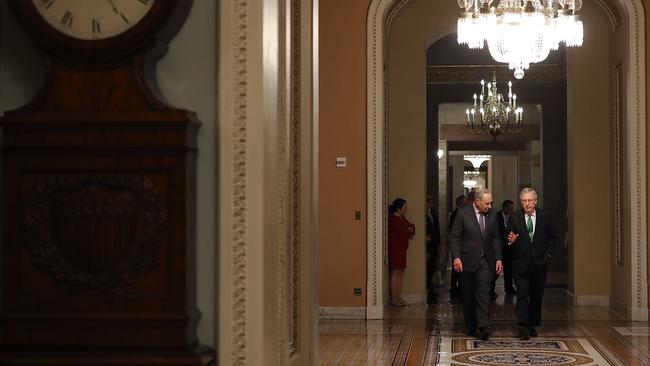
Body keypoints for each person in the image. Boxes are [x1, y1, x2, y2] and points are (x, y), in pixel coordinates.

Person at [449, 188, 503, 340]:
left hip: (486, 261)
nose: (490, 206)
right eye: (487, 203)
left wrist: (498, 258)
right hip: (466, 261)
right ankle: (471, 324)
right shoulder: (462, 213)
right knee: (468, 295)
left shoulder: (493, 214)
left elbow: (496, 238)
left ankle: (484, 325)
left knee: (484, 292)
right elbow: (454, 237)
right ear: (477, 202)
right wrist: (456, 257)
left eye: (491, 203)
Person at [506, 188, 557, 340]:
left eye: (530, 201)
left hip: (539, 263)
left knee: (536, 296)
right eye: (524, 201)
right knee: (522, 294)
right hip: (520, 264)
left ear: (535, 201)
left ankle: (532, 324)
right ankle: (522, 325)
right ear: (521, 202)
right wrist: (511, 241)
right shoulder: (514, 217)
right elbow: (508, 238)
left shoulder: (545, 216)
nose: (527, 204)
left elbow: (553, 238)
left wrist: (547, 255)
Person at [388, 198, 415, 307]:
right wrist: (408, 230)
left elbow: (411, 226)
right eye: (404, 207)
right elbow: (403, 233)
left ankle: (399, 297)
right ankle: (394, 298)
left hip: (401, 249)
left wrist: (409, 230)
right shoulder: (394, 219)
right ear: (399, 208)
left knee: (401, 273)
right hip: (396, 249)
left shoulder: (401, 218)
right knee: (396, 272)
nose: (406, 209)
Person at [492, 199, 516, 298]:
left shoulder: (513, 218)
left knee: (509, 270)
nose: (511, 210)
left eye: (512, 209)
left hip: (509, 249)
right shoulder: (496, 216)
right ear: (504, 207)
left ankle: (509, 288)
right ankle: (490, 290)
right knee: (495, 271)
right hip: (498, 248)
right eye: (510, 208)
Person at [449, 194, 468, 302]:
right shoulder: (456, 214)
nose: (466, 203)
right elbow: (454, 233)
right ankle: (455, 290)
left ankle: (459, 290)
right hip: (458, 246)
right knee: (456, 271)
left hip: (462, 247)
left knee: (459, 271)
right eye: (464, 201)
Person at [426, 194, 441, 303]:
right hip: (428, 247)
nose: (429, 202)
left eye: (430, 200)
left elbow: (437, 230)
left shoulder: (433, 214)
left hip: (434, 247)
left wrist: (438, 244)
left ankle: (431, 291)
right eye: (427, 200)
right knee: (428, 271)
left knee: (432, 269)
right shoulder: (424, 215)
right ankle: (429, 292)